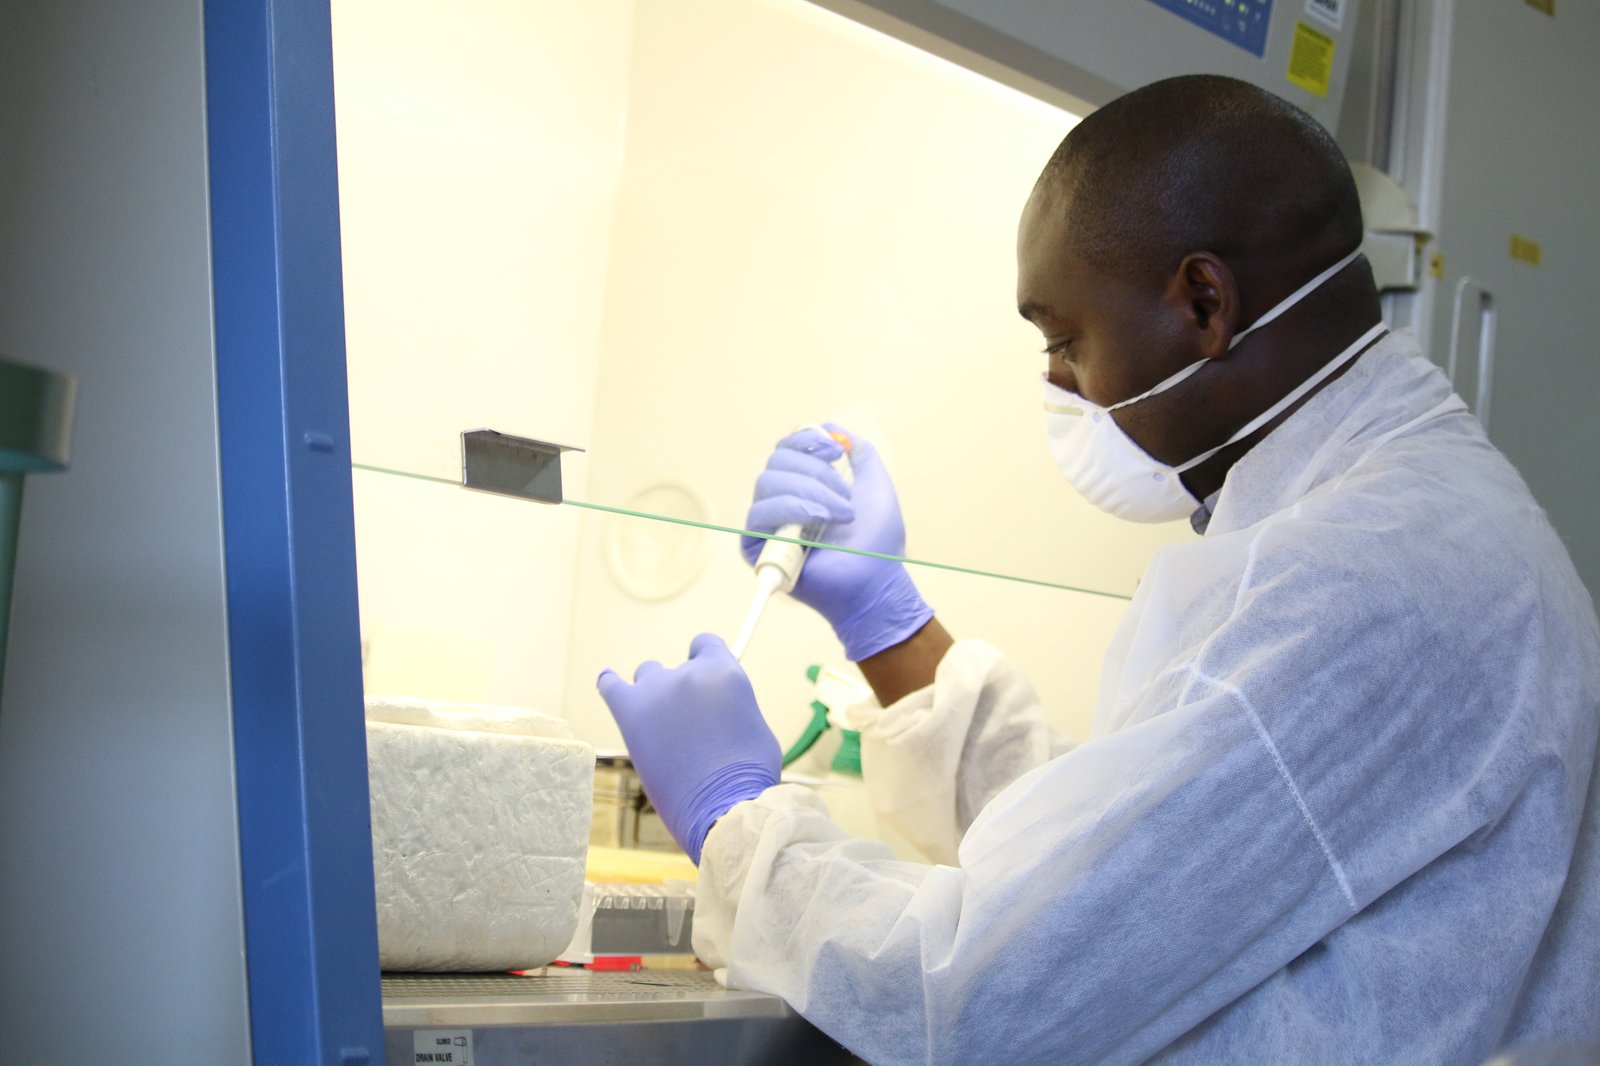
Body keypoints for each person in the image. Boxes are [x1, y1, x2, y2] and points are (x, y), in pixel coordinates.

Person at [596, 74, 1600, 1064]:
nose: (1056, 380)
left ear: (1203, 302)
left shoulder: (1362, 573)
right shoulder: (1397, 513)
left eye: (1066, 339)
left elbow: (984, 996)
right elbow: (1127, 878)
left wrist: (737, 819)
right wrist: (887, 625)